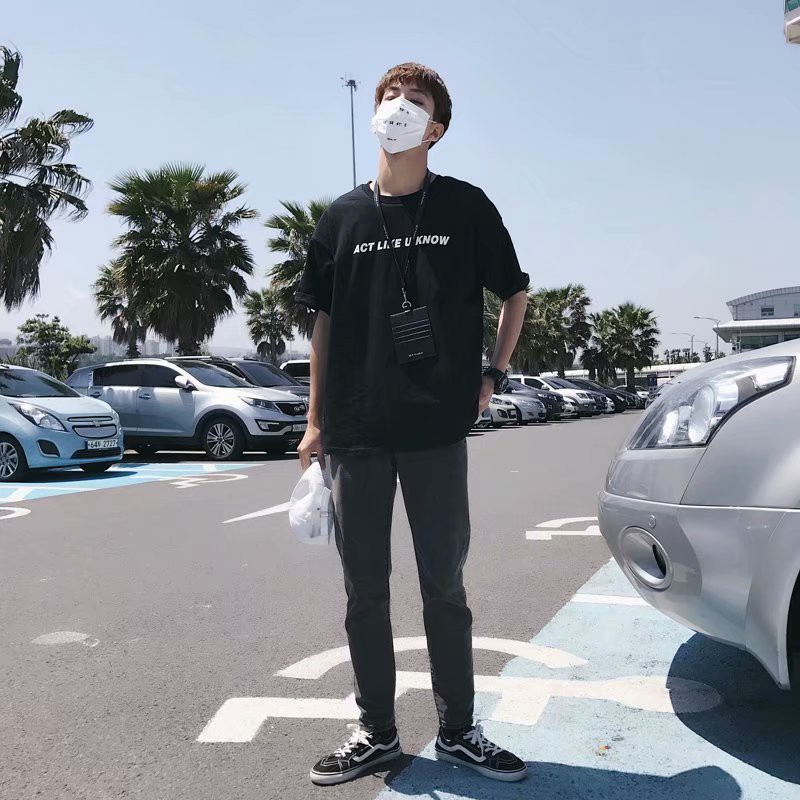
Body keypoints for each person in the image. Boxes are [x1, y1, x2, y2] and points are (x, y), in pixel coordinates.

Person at [295, 62, 529, 786]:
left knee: (444, 587)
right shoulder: (341, 218)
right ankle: (377, 734)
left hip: (434, 429)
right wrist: (314, 422)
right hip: (355, 430)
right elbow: (322, 325)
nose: (397, 106)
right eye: (389, 96)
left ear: (436, 128)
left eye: (414, 100)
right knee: (364, 592)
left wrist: (493, 374)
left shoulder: (463, 206)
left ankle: (458, 732)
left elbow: (515, 292)